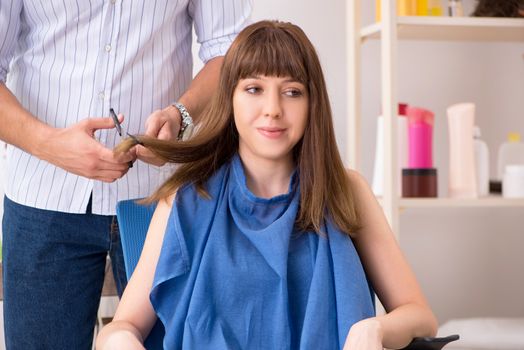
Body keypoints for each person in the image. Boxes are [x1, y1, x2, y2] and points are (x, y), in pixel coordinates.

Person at [96, 20, 438, 350]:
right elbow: (121, 327)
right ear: (230, 98)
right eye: (254, 89)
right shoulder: (185, 197)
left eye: (292, 92)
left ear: (311, 104)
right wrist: (122, 340)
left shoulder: (346, 191)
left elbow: (420, 316)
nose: (273, 109)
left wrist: (374, 328)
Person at [0, 1, 252, 348]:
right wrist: (50, 144)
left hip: (160, 204)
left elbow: (230, 50)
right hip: (42, 198)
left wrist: (181, 116)